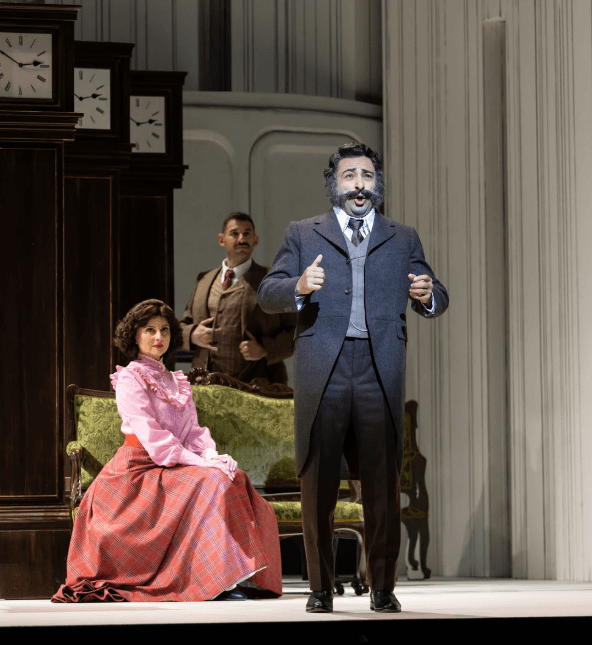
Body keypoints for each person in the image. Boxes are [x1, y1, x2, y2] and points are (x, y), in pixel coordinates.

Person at [257, 142, 448, 613]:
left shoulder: (402, 238)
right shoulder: (304, 233)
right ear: (334, 184)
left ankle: (383, 587)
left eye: (366, 175)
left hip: (379, 370)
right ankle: (320, 589)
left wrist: (426, 295)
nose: (359, 184)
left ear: (376, 184)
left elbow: (437, 295)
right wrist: (298, 287)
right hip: (324, 368)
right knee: (318, 483)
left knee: (382, 485)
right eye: (349, 176)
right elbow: (267, 293)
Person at [53, 299, 282, 602]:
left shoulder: (176, 381)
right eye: (149, 330)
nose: (158, 338)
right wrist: (201, 466)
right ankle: (216, 578)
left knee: (234, 476)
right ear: (135, 336)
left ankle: (239, 573)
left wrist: (211, 456)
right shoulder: (130, 378)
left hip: (172, 467)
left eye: (163, 330)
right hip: (136, 473)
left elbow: (193, 432)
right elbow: (152, 436)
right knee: (211, 480)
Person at [180, 212, 296, 385]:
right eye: (234, 233)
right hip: (205, 384)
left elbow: (295, 331)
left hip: (257, 386)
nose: (241, 239)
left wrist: (265, 349)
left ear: (255, 240)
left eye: (247, 233)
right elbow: (183, 325)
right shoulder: (203, 281)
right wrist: (192, 335)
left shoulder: (274, 281)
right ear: (221, 240)